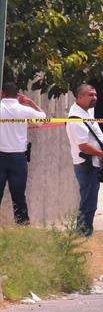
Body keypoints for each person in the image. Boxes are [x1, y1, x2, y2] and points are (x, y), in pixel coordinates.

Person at [66, 84, 103, 236]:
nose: (94, 98)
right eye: (90, 95)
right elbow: (83, 146)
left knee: (90, 202)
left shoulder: (86, 112)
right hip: (86, 165)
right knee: (88, 203)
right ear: (79, 97)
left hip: (93, 163)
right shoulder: (76, 118)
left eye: (95, 95)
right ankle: (82, 234)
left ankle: (84, 233)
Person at [0, 82, 46, 225]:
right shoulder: (24, 110)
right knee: (19, 195)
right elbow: (43, 118)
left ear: (2, 93)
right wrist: (31, 102)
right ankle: (22, 225)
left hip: (1, 157)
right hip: (18, 159)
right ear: (18, 95)